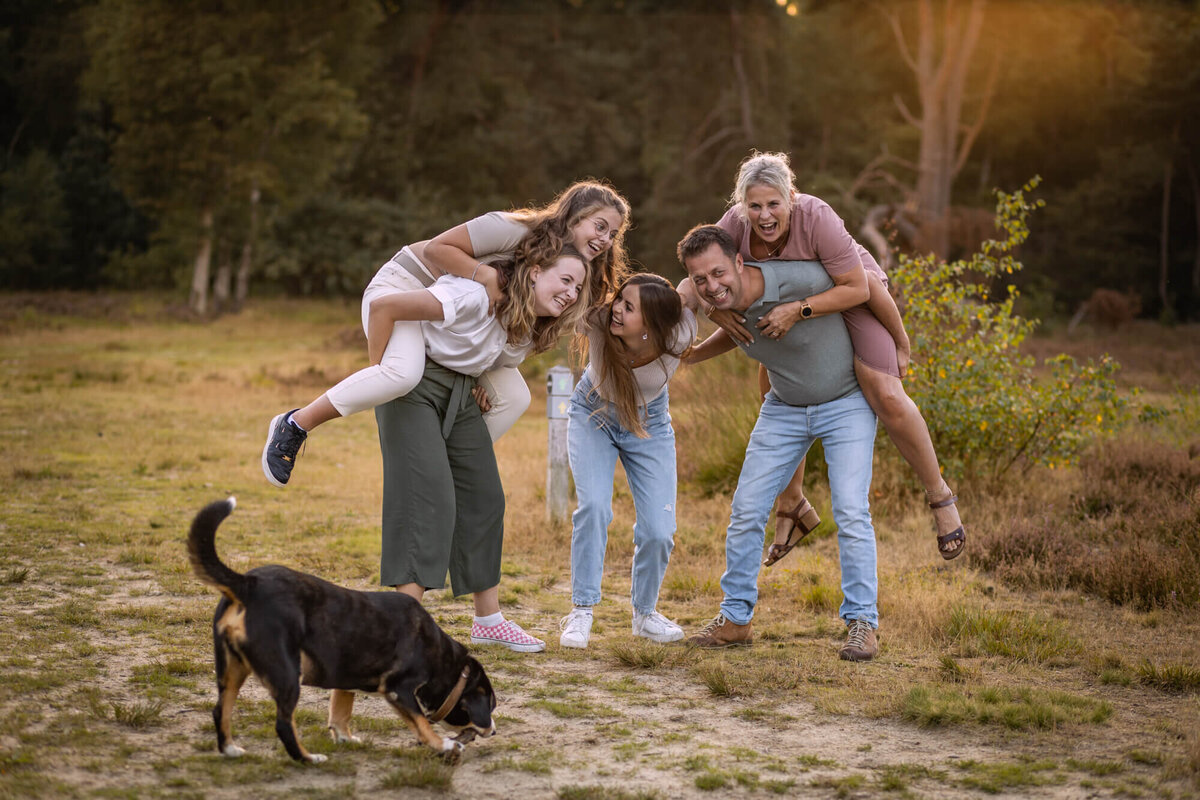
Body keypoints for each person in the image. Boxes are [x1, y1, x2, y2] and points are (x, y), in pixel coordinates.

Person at [324, 245, 590, 743]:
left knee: (484, 498)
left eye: (579, 286)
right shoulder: (473, 289)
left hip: (457, 392)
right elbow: (397, 299)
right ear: (534, 271)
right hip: (413, 383)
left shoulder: (524, 322)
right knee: (429, 510)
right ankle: (398, 631)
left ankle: (488, 619)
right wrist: (384, 378)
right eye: (566, 279)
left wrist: (477, 381)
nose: (572, 292)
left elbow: (486, 358)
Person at [261, 181, 630, 487]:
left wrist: (475, 375)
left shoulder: (571, 272)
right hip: (406, 289)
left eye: (613, 234)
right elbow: (439, 249)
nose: (605, 239)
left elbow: (518, 334)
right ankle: (294, 423)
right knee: (401, 373)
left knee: (515, 395)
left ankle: (449, 469)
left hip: (457, 317)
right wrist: (484, 276)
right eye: (599, 226)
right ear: (574, 214)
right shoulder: (516, 230)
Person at [711, 151, 965, 563]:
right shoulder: (734, 226)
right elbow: (697, 265)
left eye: (774, 203)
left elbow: (860, 287)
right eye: (754, 206)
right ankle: (792, 504)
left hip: (850, 291)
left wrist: (900, 343)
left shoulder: (816, 215)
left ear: (791, 197)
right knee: (774, 382)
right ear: (741, 205)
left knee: (882, 389)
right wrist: (712, 308)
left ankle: (940, 496)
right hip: (796, 296)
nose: (764, 215)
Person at [677, 224, 881, 661]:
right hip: (783, 407)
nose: (712, 286)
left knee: (850, 509)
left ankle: (863, 622)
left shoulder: (799, 279)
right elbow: (730, 326)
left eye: (718, 273)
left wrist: (898, 343)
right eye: (701, 280)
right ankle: (735, 619)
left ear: (739, 262)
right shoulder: (718, 302)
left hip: (846, 403)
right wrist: (693, 348)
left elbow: (863, 284)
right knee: (747, 509)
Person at [559, 274, 698, 649]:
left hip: (650, 424)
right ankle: (582, 612)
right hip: (593, 415)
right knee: (593, 508)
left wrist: (733, 315)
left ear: (653, 324)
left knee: (659, 530)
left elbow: (694, 285)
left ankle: (645, 615)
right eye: (620, 299)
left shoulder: (679, 334)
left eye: (629, 306)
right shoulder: (599, 322)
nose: (617, 308)